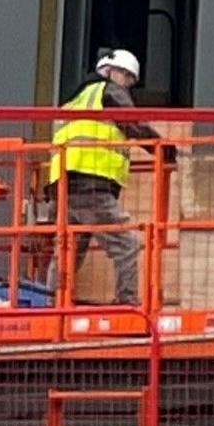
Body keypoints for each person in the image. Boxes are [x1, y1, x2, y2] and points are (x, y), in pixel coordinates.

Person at [52, 49, 160, 305]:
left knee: (68, 250)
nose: (127, 84)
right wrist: (164, 149)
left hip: (65, 185)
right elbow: (133, 122)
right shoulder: (108, 91)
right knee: (127, 244)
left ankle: (49, 303)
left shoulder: (73, 99)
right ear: (109, 71)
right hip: (91, 184)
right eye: (125, 76)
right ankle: (127, 304)